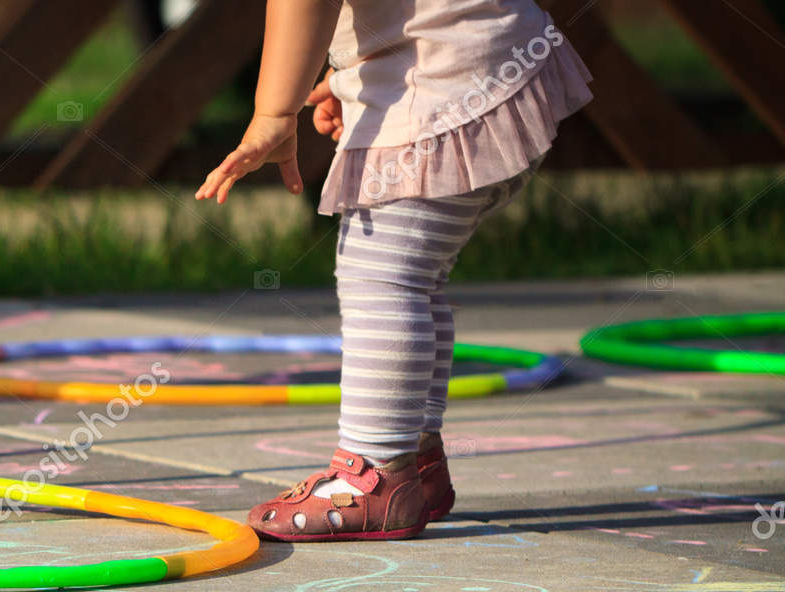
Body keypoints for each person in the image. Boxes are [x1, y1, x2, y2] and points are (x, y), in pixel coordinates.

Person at [197, 0, 591, 540]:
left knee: (383, 277)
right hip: (492, 72)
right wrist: (353, 71)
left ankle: (374, 473)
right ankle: (415, 462)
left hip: (444, 91)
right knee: (417, 277)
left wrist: (274, 113)